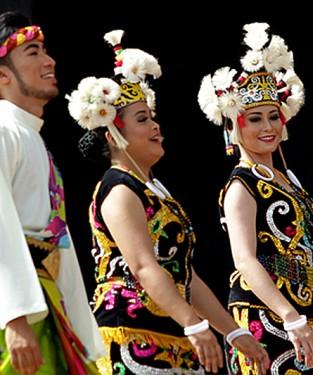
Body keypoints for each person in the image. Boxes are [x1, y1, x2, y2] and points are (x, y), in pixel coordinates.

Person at [66, 29, 270, 374]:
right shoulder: (118, 190)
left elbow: (184, 275)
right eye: (143, 120)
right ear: (113, 133)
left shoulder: (152, 190)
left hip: (172, 328)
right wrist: (192, 323)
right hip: (133, 332)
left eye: (153, 117)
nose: (156, 127)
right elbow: (145, 267)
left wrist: (233, 332)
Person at [198, 22, 313, 374]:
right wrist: (289, 317)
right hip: (266, 317)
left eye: (273, 117)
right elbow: (246, 261)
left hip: (305, 315)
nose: (268, 127)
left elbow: (306, 266)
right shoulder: (241, 186)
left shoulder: (287, 181)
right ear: (234, 126)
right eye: (255, 119)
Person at [0, 11, 104, 375]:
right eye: (33, 52)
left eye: (45, 49)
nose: (49, 60)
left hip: (46, 300)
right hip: (21, 313)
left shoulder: (30, 135)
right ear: (2, 74)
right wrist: (13, 315)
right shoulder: (3, 130)